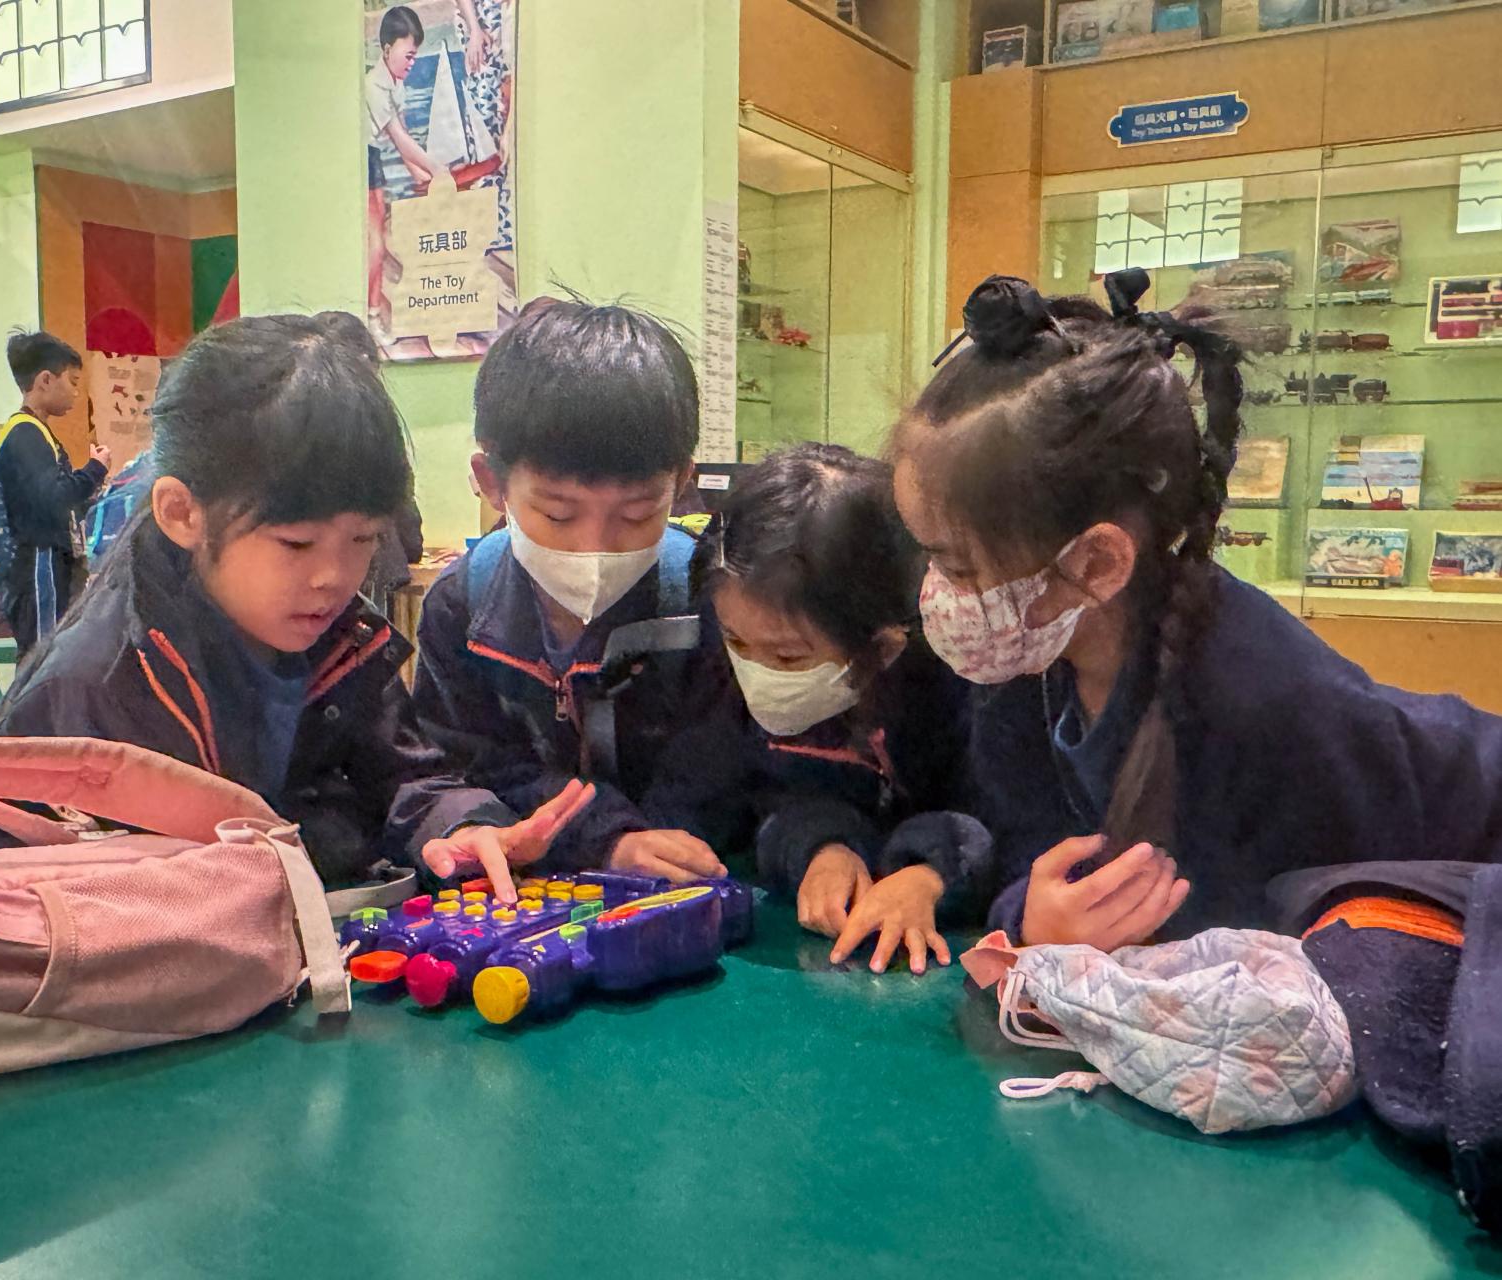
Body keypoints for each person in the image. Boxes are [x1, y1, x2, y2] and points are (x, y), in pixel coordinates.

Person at [893, 270, 1502, 949]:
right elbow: (1027, 849)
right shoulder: (1032, 659)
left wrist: (1059, 937)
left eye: (957, 566)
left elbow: (1272, 953)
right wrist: (1026, 917)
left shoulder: (1262, 706)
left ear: (1095, 563)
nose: (935, 596)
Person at [0, 312, 588, 885]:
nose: (333, 576)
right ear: (181, 514)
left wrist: (460, 825)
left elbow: (405, 775)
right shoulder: (95, 682)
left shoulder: (340, 639)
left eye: (362, 539)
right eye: (296, 544)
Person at [386, 299, 724, 898]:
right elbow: (458, 766)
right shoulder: (463, 605)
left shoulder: (705, 597)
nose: (595, 547)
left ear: (680, 483)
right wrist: (601, 837)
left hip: (691, 881)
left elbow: (719, 767)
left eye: (637, 514)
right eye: (558, 515)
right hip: (532, 890)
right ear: (492, 483)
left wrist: (646, 838)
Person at [643, 444, 983, 974]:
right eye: (736, 641)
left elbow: (1012, 823)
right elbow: (753, 797)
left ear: (884, 644)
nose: (756, 671)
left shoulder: (960, 685)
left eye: (788, 656)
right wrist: (822, 846)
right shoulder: (720, 675)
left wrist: (928, 874)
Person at [0, 331, 110, 654]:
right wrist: (95, 469)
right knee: (44, 652)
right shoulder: (26, 433)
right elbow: (54, 498)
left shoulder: (32, 431)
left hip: (41, 561)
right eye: (72, 381)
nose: (76, 392)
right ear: (46, 380)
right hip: (39, 561)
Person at [366, 6, 437, 333]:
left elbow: (405, 138)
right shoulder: (373, 87)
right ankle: (371, 315)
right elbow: (399, 138)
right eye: (408, 56)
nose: (411, 63)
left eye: (415, 56)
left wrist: (424, 177)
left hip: (373, 156)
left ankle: (373, 311)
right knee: (375, 244)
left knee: (379, 240)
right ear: (386, 49)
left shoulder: (397, 84)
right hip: (360, 157)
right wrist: (439, 171)